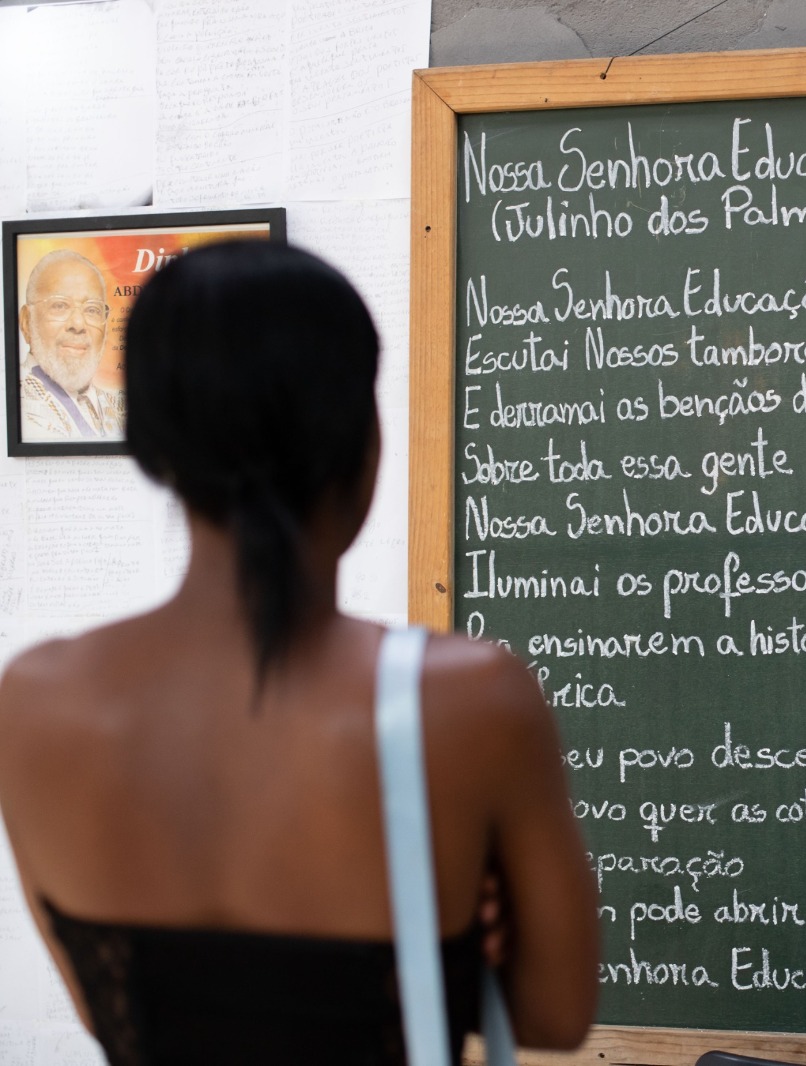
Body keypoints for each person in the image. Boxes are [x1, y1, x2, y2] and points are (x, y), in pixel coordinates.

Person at [0, 241, 598, 1063]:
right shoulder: (468, 700)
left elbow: (111, 1016)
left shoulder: (33, 702)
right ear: (363, 446)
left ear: (151, 446)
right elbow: (554, 1016)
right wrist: (465, 945)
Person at [16, 249, 123, 441]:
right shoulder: (18, 408)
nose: (78, 325)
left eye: (92, 310)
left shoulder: (120, 408)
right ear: (26, 322)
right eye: (60, 306)